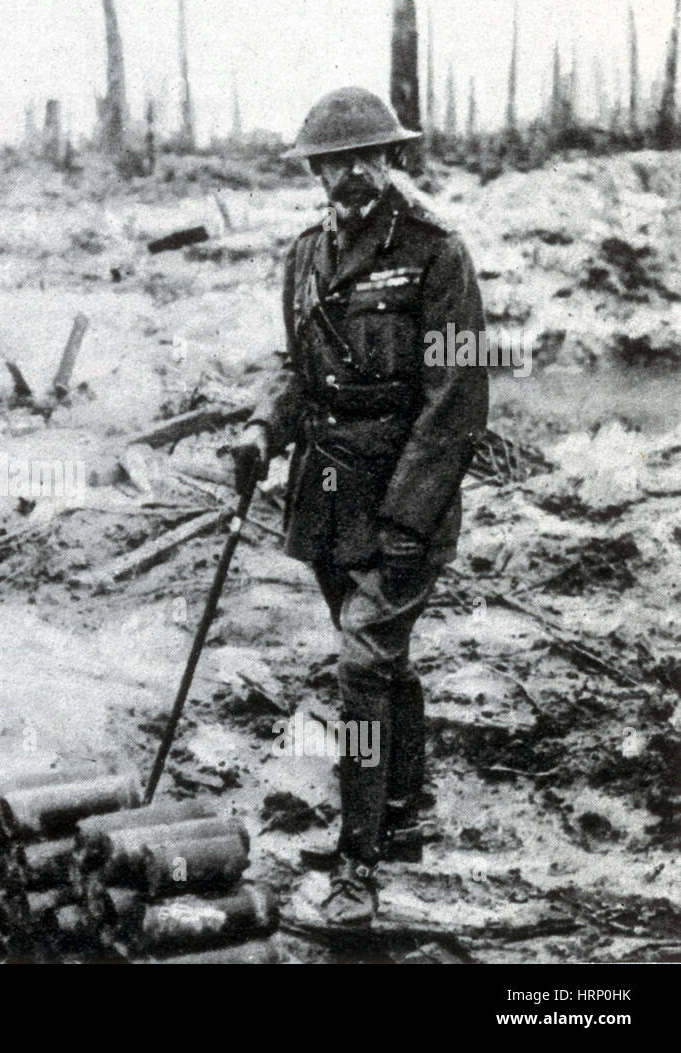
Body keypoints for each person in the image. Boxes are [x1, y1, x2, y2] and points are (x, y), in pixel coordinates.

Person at [234, 86, 489, 925]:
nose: (348, 174)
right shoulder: (304, 256)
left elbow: (456, 398)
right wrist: (261, 431)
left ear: (394, 160)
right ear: (312, 170)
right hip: (328, 497)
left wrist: (410, 520)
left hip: (403, 499)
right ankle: (403, 810)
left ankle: (359, 860)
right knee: (384, 663)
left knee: (360, 668)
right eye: (332, 161)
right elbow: (297, 371)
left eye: (364, 157)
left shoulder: (435, 253)